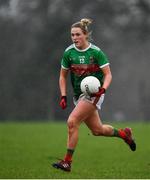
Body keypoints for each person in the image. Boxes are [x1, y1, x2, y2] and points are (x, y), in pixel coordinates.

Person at [52, 18, 136, 172]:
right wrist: (63, 96)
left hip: (94, 94)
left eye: (78, 34)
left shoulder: (96, 52)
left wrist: (103, 89)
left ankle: (67, 162)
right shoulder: (69, 53)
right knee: (98, 130)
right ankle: (125, 135)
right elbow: (62, 76)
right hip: (79, 95)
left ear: (85, 35)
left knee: (72, 122)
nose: (75, 38)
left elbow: (108, 75)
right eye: (72, 35)